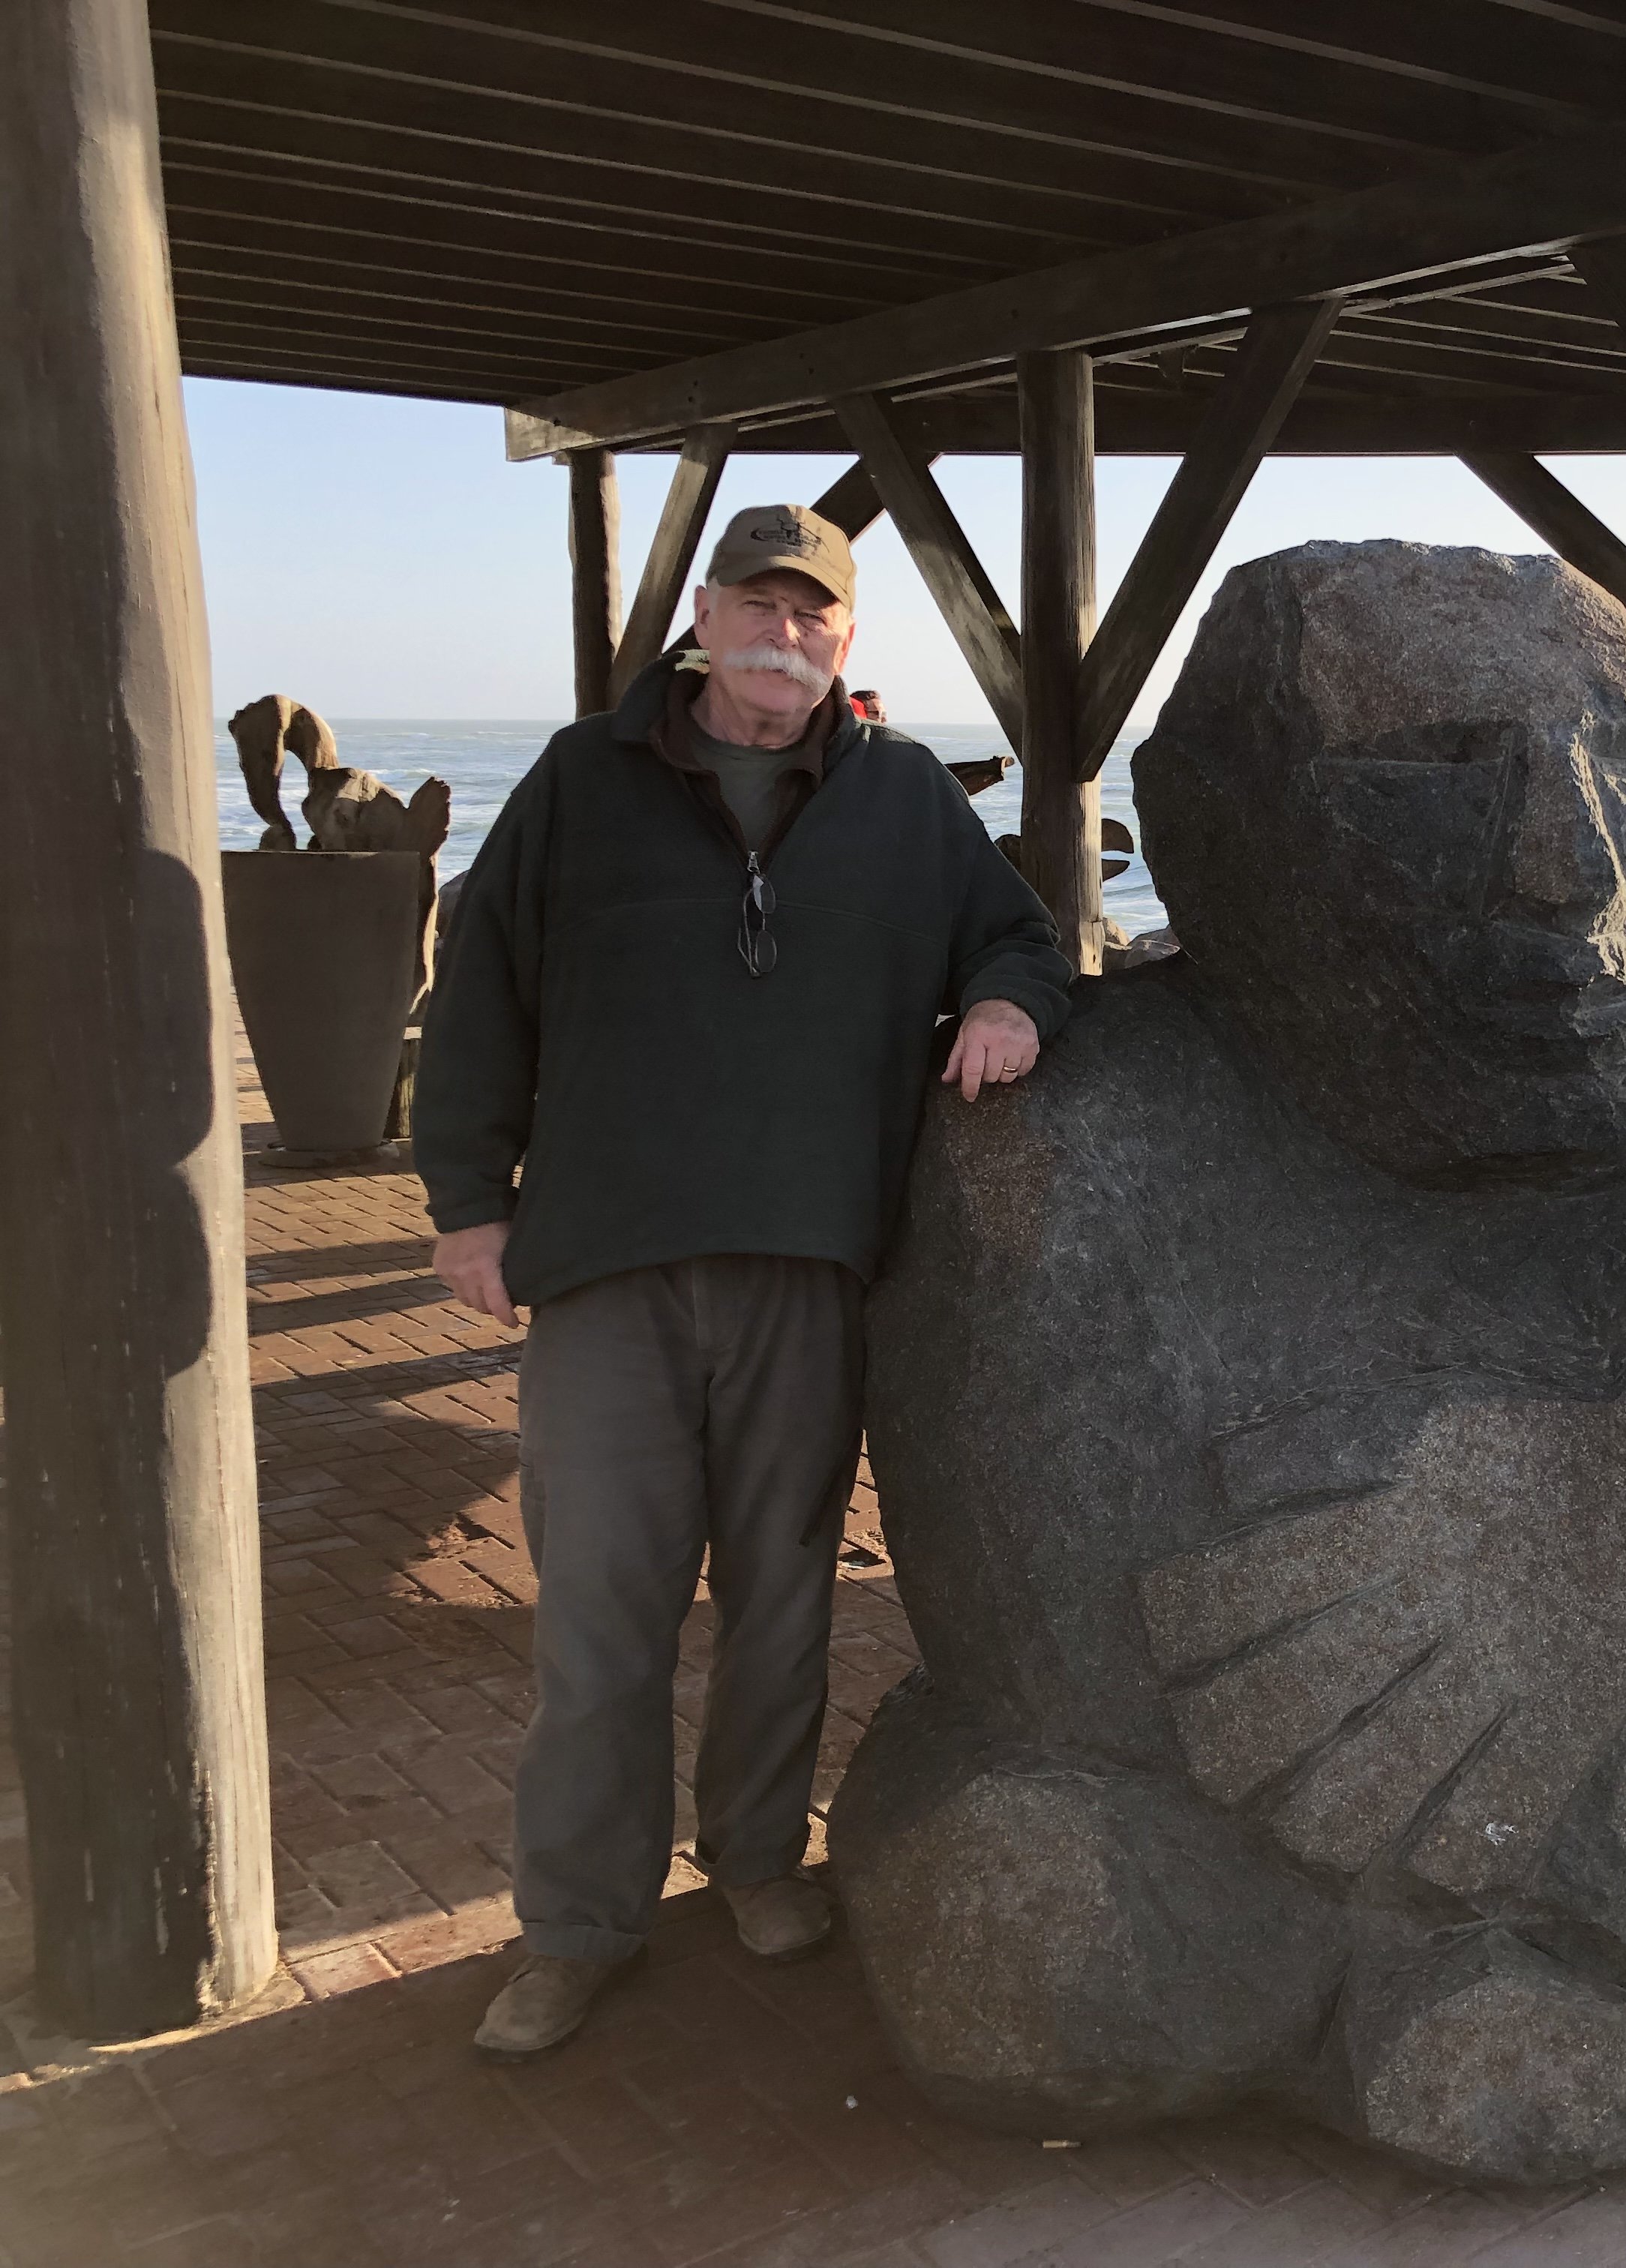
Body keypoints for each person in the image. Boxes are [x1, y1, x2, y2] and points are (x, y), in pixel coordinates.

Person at [416, 502, 1076, 2060]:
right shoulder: (582, 784)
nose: (784, 636)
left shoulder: (908, 800)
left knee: (783, 1605)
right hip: (603, 1275)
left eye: (814, 616)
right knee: (601, 1621)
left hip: (810, 1274)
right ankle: (576, 1925)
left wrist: (1005, 1009)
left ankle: (762, 1862)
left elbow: (1027, 939)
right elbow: (478, 995)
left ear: (847, 644)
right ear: (702, 617)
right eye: (758, 608)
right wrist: (465, 1206)